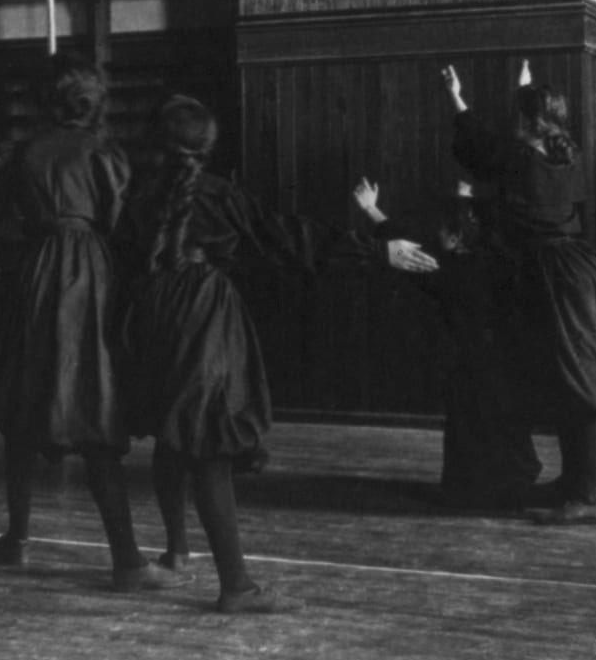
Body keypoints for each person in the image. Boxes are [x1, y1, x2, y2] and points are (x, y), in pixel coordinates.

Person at [118, 95, 440, 612]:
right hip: (204, 313)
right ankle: (236, 587)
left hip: (152, 314)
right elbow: (289, 238)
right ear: (207, 145)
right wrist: (377, 250)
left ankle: (177, 555)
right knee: (210, 446)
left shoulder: (136, 197)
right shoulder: (222, 196)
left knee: (172, 434)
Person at [0, 53, 185, 594]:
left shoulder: (24, 153)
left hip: (38, 275)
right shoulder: (104, 152)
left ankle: (16, 540)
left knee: (28, 401)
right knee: (95, 407)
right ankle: (125, 557)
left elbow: (1, 210)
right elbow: (120, 222)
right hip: (92, 278)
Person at [442, 60, 596, 525]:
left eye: (518, 118)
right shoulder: (569, 154)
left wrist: (456, 95)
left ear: (526, 123)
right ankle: (576, 485)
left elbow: (479, 147)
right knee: (576, 378)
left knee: (576, 382)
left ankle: (585, 496)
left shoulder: (521, 157)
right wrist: (526, 90)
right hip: (581, 270)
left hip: (557, 277)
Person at [352, 177, 543, 510]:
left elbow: (406, 250)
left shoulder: (447, 272)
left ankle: (473, 493)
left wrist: (370, 209)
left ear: (454, 238)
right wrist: (464, 198)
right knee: (504, 429)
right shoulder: (497, 260)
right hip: (507, 362)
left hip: (473, 366)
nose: (435, 236)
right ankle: (511, 485)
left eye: (442, 231)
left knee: (471, 428)